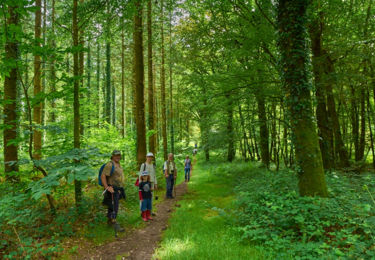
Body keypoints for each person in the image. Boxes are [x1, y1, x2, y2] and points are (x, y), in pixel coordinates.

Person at [101, 150, 126, 232]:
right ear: (112, 156)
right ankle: (114, 223)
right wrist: (107, 187)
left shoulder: (118, 164)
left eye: (119, 155)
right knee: (114, 207)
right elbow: (103, 176)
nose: (118, 157)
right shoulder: (110, 164)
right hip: (112, 189)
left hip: (117, 189)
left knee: (113, 206)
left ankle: (109, 222)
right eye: (116, 155)